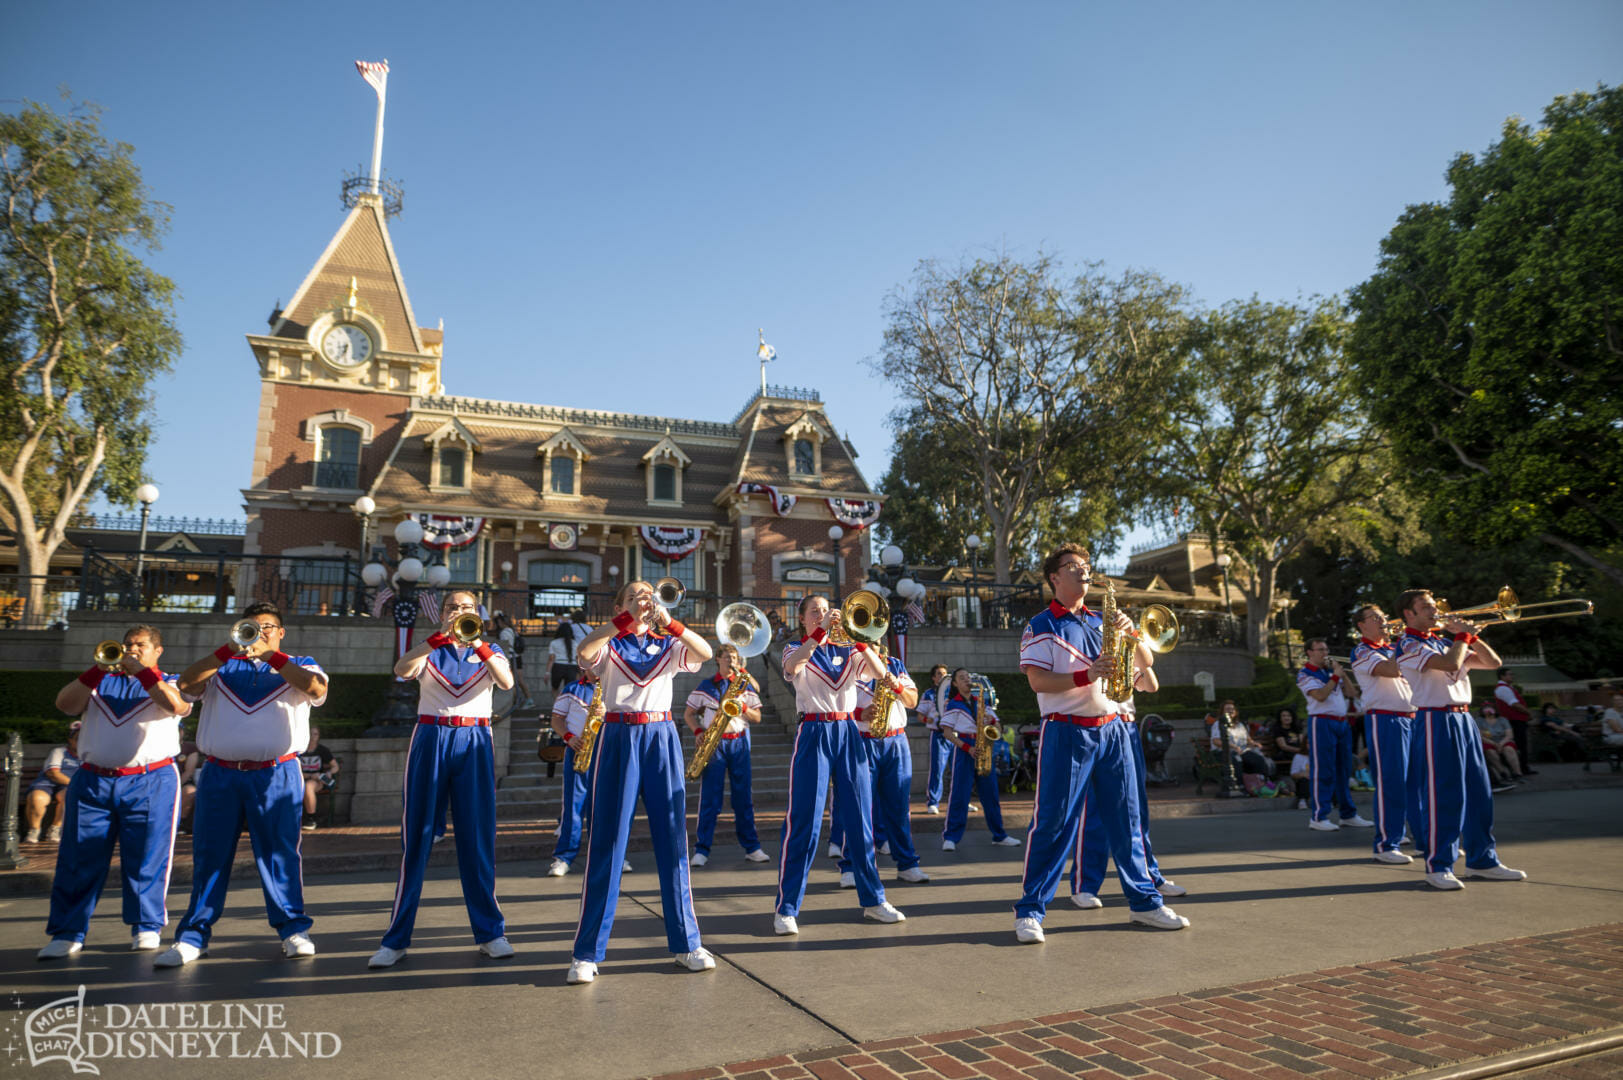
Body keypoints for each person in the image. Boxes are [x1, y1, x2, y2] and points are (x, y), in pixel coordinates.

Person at [1014, 543, 1187, 942]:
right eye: (1073, 566)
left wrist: (1132, 634)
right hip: (1066, 729)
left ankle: (1145, 903)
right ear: (1054, 577)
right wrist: (1087, 674)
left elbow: (1147, 669)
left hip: (1113, 729)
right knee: (1054, 822)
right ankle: (1030, 910)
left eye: (1086, 566)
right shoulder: (1042, 625)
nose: (1083, 571)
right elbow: (1038, 681)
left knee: (1126, 820)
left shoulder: (1099, 620)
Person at [157, 601, 328, 968]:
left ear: (281, 633)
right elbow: (185, 687)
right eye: (253, 626)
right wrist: (224, 652)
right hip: (221, 773)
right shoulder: (222, 666)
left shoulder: (303, 663)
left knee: (280, 854)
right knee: (210, 855)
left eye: (268, 626)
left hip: (276, 772)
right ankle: (193, 936)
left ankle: (293, 930)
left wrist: (272, 657)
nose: (261, 632)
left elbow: (315, 689)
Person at [566, 579, 716, 984]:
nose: (642, 601)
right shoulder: (610, 642)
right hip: (618, 734)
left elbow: (705, 653)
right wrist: (623, 620)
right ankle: (587, 952)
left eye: (646, 596)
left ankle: (686, 943)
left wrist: (670, 621)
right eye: (632, 596)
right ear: (619, 605)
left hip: (662, 735)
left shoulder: (667, 644)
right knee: (608, 841)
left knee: (672, 839)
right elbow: (583, 653)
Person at [369, 590, 514, 968]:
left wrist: (477, 641)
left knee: (478, 839)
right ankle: (396, 939)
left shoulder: (491, 650)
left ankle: (491, 933)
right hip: (431, 736)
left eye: (467, 608)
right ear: (442, 614)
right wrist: (438, 638)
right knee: (416, 838)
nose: (460, 613)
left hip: (475, 738)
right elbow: (402, 670)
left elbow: (507, 682)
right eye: (453, 608)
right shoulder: (430, 649)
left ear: (478, 613)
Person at [37, 626, 189, 959]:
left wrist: (142, 673)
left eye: (141, 645)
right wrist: (98, 669)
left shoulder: (170, 679)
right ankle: (68, 931)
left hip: (150, 779)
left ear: (157, 650)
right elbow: (65, 703)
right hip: (93, 780)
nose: (132, 650)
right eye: (128, 645)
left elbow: (175, 705)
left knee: (148, 856)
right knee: (79, 857)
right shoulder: (98, 681)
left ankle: (146, 926)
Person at [773, 594, 905, 937]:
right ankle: (787, 908)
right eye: (814, 611)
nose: (822, 613)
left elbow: (879, 673)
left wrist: (858, 639)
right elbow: (792, 668)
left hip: (848, 729)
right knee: (805, 821)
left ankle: (873, 900)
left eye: (825, 608)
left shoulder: (849, 649)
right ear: (802, 618)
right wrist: (819, 635)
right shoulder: (795, 647)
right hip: (813, 729)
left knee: (860, 818)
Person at [1395, 588, 1524, 890]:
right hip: (1434, 718)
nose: (1434, 611)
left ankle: (1483, 860)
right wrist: (1462, 636)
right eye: (1426, 607)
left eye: (1433, 606)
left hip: (1464, 717)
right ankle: (1438, 865)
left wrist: (1472, 636)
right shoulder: (1407, 644)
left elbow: (1493, 663)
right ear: (1409, 614)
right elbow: (1451, 664)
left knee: (1480, 792)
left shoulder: (1444, 641)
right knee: (1445, 794)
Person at [1068, 662, 1187, 909]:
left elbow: (1151, 685)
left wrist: (1139, 647)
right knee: (1094, 811)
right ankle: (1085, 885)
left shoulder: (1127, 649)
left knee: (1136, 811)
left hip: (1128, 726)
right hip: (1099, 725)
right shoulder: (1091, 648)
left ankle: (1149, 876)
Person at [843, 649, 927, 885]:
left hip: (896, 740)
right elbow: (835, 704)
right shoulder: (848, 663)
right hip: (863, 739)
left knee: (899, 807)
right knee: (859, 807)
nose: (872, 641)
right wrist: (861, 712)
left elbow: (912, 701)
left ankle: (907, 864)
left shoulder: (895, 664)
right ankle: (850, 865)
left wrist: (897, 687)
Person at [685, 643, 771, 866]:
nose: (730, 661)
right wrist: (697, 731)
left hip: (739, 742)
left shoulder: (744, 685)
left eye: (734, 657)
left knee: (743, 799)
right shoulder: (706, 685)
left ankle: (752, 848)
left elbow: (758, 717)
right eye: (726, 657)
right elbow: (689, 713)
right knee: (710, 800)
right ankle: (702, 850)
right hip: (715, 744)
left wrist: (742, 707)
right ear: (718, 659)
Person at [1351, 605, 1417, 863]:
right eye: (1375, 618)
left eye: (1384, 617)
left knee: (1418, 784)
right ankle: (1387, 844)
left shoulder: (1393, 648)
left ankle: (1425, 841)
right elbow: (1391, 671)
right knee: (1392, 783)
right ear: (1361, 625)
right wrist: (1406, 641)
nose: (1384, 621)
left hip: (1413, 717)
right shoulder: (1362, 650)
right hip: (1386, 719)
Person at [937, 668, 1022, 849]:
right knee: (960, 795)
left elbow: (997, 725)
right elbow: (946, 732)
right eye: (962, 678)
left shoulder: (981, 702)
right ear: (955, 684)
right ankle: (951, 837)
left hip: (984, 748)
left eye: (968, 677)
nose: (967, 680)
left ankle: (999, 835)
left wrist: (993, 723)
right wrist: (967, 748)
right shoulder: (953, 704)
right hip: (965, 748)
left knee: (991, 795)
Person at [1298, 639, 1373, 831]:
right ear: (1310, 652)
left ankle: (1348, 814)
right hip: (1321, 722)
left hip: (1342, 723)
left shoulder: (1331, 672)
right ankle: (1318, 816)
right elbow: (1320, 696)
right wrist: (1335, 678)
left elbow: (1352, 693)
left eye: (1326, 649)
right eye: (1320, 649)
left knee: (1344, 770)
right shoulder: (1305, 673)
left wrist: (1342, 674)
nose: (1325, 653)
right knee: (1324, 770)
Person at [24, 723, 81, 843]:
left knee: (69, 795)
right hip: (47, 784)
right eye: (77, 739)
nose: (81, 742)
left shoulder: (87, 756)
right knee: (37, 799)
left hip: (67, 788)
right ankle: (34, 831)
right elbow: (53, 774)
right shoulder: (59, 752)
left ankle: (55, 829)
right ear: (70, 740)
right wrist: (75, 784)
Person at [1208, 701, 1278, 797]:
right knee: (1236, 760)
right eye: (1227, 709)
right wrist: (1232, 746)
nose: (1230, 711)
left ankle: (1263, 783)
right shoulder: (1218, 724)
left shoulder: (1240, 725)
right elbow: (1216, 741)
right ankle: (1240, 786)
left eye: (1232, 709)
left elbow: (1248, 739)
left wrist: (1254, 743)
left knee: (1258, 759)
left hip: (1241, 751)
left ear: (1236, 712)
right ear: (1222, 712)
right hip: (1224, 753)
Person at [919, 663, 952, 815]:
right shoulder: (929, 694)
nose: (942, 676)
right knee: (937, 770)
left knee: (958, 770)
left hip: (955, 735)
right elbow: (920, 715)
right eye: (939, 673)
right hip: (938, 735)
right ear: (933, 678)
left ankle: (961, 802)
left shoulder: (953, 693)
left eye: (944, 673)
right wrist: (929, 721)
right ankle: (933, 802)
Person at [1493, 668, 1535, 776]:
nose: (1512, 676)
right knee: (1519, 745)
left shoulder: (1506, 688)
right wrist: (1528, 713)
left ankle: (1522, 767)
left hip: (1515, 720)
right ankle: (1520, 768)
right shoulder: (1503, 689)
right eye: (1509, 674)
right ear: (1502, 676)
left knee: (1521, 745)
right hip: (1514, 721)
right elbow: (1514, 704)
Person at [298, 726, 339, 832]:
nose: (312, 737)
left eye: (315, 734)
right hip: (299, 779)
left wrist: (329, 772)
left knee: (308, 786)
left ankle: (311, 819)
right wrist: (308, 775)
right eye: (310, 734)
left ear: (319, 736)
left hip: (317, 781)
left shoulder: (322, 750)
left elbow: (335, 766)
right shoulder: (300, 750)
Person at [493, 612, 536, 711]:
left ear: (500, 622)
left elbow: (505, 646)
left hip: (511, 658)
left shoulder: (504, 632)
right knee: (520, 680)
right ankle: (528, 699)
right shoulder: (512, 630)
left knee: (512, 681)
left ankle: (517, 701)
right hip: (517, 657)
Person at [1475, 704, 1522, 791]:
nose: (1488, 711)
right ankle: (1503, 773)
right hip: (1489, 742)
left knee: (1509, 749)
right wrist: (1494, 744)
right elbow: (1480, 736)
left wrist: (1501, 744)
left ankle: (1517, 773)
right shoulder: (1479, 721)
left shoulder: (1503, 720)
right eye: (1485, 709)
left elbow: (1509, 735)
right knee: (1490, 752)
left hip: (1503, 740)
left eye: (1490, 708)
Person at [1270, 708, 1309, 808]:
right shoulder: (1278, 730)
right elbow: (1283, 746)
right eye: (1284, 716)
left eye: (1289, 716)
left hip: (1299, 753)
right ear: (1280, 718)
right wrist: (1300, 751)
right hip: (1285, 754)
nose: (1286, 718)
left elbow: (1302, 742)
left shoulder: (1297, 728)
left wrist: (1303, 750)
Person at [545, 621, 579, 694]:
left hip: (558, 666)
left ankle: (558, 704)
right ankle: (566, 704)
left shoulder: (554, 643)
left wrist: (547, 672)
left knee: (555, 688)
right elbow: (577, 658)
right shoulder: (575, 643)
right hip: (572, 666)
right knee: (569, 690)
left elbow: (551, 659)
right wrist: (581, 671)